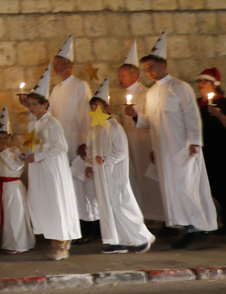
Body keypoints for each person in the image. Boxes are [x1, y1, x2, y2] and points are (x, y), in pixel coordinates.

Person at [132, 32, 218, 247]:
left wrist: (194, 142)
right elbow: (152, 122)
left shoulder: (180, 88)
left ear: (164, 65)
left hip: (183, 148)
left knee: (187, 188)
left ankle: (200, 228)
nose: (150, 72)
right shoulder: (152, 93)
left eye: (152, 67)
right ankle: (187, 227)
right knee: (173, 190)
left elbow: (192, 116)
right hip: (164, 151)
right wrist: (135, 116)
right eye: (147, 69)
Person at [84, 79, 155, 254]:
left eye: (97, 107)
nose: (94, 111)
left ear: (106, 108)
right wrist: (88, 164)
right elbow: (91, 149)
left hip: (114, 174)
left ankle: (142, 237)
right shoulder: (95, 129)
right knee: (107, 207)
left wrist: (107, 160)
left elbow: (121, 151)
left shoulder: (114, 128)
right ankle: (116, 241)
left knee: (122, 205)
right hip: (102, 175)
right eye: (92, 108)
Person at [17, 64, 81, 260]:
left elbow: (61, 147)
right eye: (31, 105)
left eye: (36, 104)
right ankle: (54, 240)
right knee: (44, 203)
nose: (33, 108)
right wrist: (23, 153)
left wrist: (37, 156)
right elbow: (30, 144)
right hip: (38, 169)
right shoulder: (33, 124)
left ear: (45, 105)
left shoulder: (53, 123)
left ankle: (63, 244)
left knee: (56, 202)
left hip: (52, 168)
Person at [47, 35, 100, 239]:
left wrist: (83, 141)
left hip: (77, 143)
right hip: (62, 145)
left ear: (70, 65)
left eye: (60, 64)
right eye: (54, 65)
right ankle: (74, 226)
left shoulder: (80, 86)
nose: (56, 68)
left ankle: (89, 228)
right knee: (69, 185)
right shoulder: (56, 90)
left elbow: (85, 115)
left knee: (82, 185)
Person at [117, 41, 163, 223]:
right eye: (119, 75)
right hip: (132, 144)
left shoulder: (144, 93)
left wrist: (136, 116)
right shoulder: (123, 96)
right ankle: (145, 216)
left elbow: (151, 119)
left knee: (151, 182)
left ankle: (162, 218)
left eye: (122, 75)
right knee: (138, 182)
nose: (119, 78)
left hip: (145, 143)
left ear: (134, 75)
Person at [0, 106, 34, 255]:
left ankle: (20, 244)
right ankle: (9, 243)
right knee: (5, 216)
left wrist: (6, 152)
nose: (2, 141)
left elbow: (16, 167)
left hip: (13, 187)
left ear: (11, 138)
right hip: (1, 187)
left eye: (5, 138)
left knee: (16, 216)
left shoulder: (16, 152)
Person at [194, 67, 226, 211]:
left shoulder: (223, 103)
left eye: (204, 81)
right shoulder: (196, 103)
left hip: (219, 150)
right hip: (201, 150)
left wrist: (219, 115)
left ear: (215, 84)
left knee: (220, 185)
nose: (200, 84)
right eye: (199, 81)